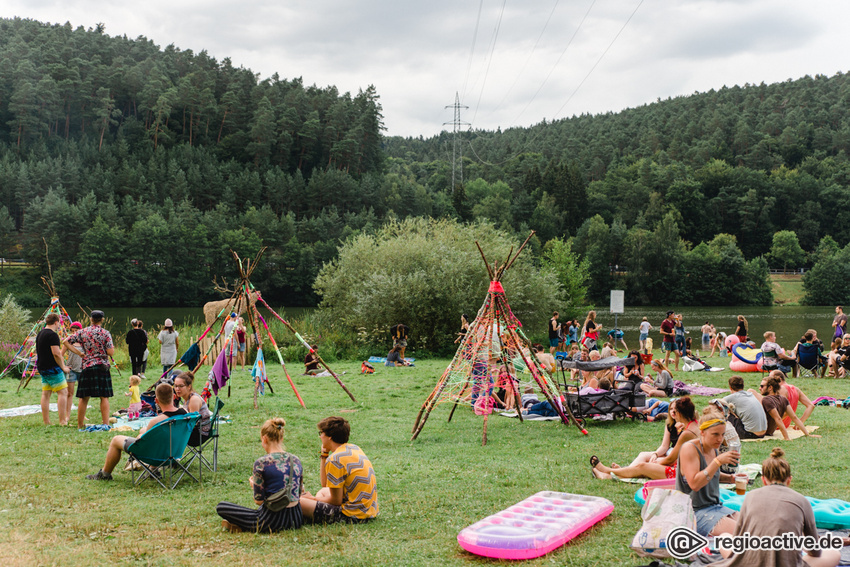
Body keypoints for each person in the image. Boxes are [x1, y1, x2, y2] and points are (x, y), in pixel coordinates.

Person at [711, 448, 841, 567]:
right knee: (833, 553)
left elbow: (737, 540)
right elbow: (815, 551)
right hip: (786, 562)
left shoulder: (750, 497)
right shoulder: (802, 501)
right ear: (789, 480)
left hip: (749, 562)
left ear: (763, 480)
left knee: (724, 538)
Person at [217, 417, 303, 533]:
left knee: (221, 506)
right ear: (281, 438)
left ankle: (240, 526)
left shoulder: (262, 463)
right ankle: (238, 526)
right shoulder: (295, 460)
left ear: (264, 439)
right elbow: (299, 492)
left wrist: (254, 486)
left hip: (272, 520)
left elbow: (259, 501)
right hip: (295, 518)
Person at [86, 383, 185, 480]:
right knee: (144, 431)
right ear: (174, 397)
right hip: (175, 453)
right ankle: (153, 470)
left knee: (116, 440)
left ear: (156, 400)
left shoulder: (156, 421)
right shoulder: (185, 414)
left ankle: (105, 474)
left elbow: (145, 443)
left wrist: (139, 437)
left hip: (156, 456)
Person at [591, 397, 699, 481]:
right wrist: (656, 457)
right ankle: (609, 474)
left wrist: (655, 464)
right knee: (644, 466)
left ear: (679, 413)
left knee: (643, 467)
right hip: (685, 468)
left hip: (682, 474)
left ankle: (608, 472)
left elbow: (671, 459)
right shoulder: (694, 426)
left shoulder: (687, 433)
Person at [300, 416, 378, 524]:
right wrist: (324, 455)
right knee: (323, 492)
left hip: (352, 516)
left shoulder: (335, 460)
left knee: (299, 501)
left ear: (330, 437)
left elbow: (336, 501)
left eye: (321, 433)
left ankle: (310, 516)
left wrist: (312, 499)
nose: (320, 437)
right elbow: (325, 484)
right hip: (368, 511)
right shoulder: (354, 448)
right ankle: (315, 513)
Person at [676, 409, 739, 537]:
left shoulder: (713, 449)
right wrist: (717, 462)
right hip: (694, 512)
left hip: (715, 506)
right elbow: (694, 483)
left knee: (751, 524)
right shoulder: (690, 448)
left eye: (722, 434)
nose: (720, 439)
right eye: (715, 434)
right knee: (742, 532)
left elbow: (711, 475)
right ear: (702, 432)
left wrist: (732, 479)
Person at [66, 310, 115, 429]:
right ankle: (105, 424)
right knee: (104, 396)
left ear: (91, 319)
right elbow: (110, 352)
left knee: (84, 397)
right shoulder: (105, 333)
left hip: (87, 366)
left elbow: (66, 342)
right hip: (102, 366)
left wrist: (80, 353)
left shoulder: (82, 332)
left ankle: (80, 424)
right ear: (102, 320)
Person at [750, 376, 819, 440]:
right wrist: (807, 434)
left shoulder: (767, 400)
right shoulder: (783, 399)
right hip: (770, 430)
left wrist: (786, 438)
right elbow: (794, 417)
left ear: (770, 388)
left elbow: (778, 419)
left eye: (762, 386)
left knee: (751, 391)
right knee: (755, 393)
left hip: (763, 430)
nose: (759, 388)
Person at [36, 313, 71, 426]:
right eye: (59, 323)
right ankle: (62, 421)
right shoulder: (53, 335)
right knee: (63, 392)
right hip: (52, 368)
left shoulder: (40, 333)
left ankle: (47, 421)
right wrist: (63, 367)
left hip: (42, 367)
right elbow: (56, 353)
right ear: (56, 322)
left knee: (46, 394)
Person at [172, 371, 211, 447]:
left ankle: (170, 457)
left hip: (199, 435)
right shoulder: (186, 398)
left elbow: (192, 423)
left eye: (181, 386)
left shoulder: (193, 400)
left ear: (189, 386)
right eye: (175, 386)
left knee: (168, 432)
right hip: (194, 432)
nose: (177, 389)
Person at [61, 321, 83, 420]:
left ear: (80, 330)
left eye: (76, 330)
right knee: (69, 393)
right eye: (72, 331)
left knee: (82, 394)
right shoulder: (68, 341)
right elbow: (60, 355)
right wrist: (64, 366)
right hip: (71, 371)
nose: (74, 332)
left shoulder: (85, 342)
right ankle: (67, 415)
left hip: (82, 370)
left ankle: (82, 414)